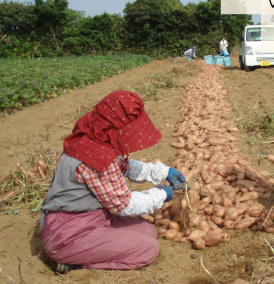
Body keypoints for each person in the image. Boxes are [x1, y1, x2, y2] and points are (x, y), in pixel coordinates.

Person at [40, 90, 188, 272]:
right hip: (69, 234)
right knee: (148, 249)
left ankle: (96, 244)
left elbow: (123, 166)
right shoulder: (96, 159)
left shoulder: (92, 136)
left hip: (94, 217)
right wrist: (160, 194)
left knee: (149, 231)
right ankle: (73, 263)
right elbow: (124, 205)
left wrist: (162, 172)